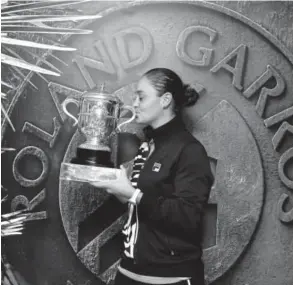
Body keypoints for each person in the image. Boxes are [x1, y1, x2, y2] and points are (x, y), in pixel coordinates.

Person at [91, 68, 214, 285]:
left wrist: (133, 194)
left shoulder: (190, 151)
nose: (135, 103)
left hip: (171, 278)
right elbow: (147, 202)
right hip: (128, 272)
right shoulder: (149, 145)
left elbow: (188, 218)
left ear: (165, 100)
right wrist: (121, 191)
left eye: (141, 96)